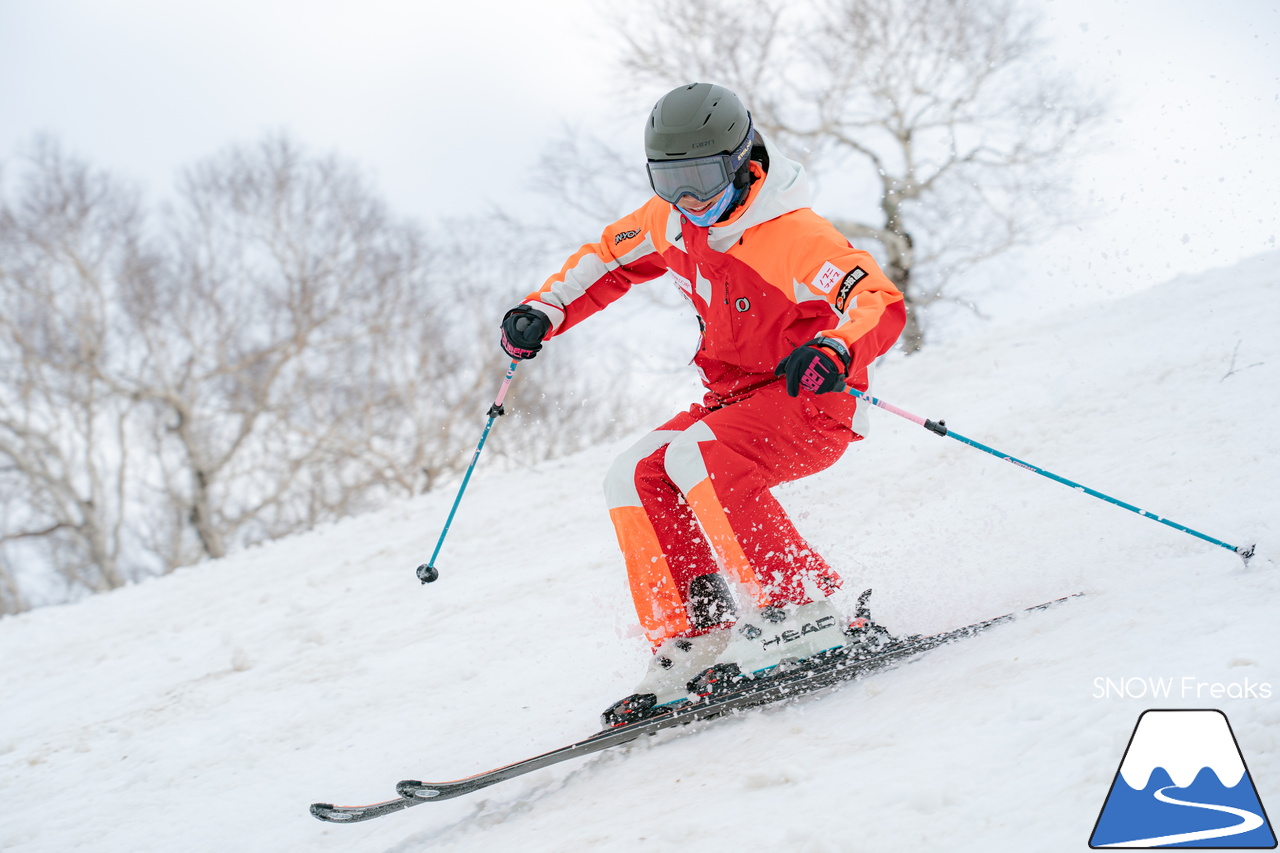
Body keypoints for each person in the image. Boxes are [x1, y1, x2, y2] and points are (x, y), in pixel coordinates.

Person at [500, 82, 906, 725]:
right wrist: (543, 310)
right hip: (733, 402)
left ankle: (802, 613)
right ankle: (696, 635)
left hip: (812, 399)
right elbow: (607, 259)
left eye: (703, 178)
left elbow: (876, 301)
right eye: (670, 180)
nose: (688, 199)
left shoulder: (794, 236)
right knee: (635, 474)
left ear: (745, 164)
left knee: (700, 455)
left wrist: (835, 349)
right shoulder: (672, 220)